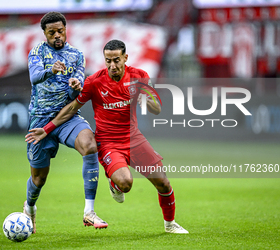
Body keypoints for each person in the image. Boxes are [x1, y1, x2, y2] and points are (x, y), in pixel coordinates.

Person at [25, 39, 188, 234]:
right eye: (108, 61)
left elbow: (156, 108)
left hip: (134, 139)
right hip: (109, 143)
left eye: (116, 60)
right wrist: (47, 128)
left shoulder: (139, 76)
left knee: (163, 182)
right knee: (126, 184)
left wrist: (143, 94)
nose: (112, 65)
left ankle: (170, 225)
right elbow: (71, 109)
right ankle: (114, 181)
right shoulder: (94, 81)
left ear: (125, 58)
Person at [23, 11, 108, 233]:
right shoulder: (37, 53)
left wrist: (75, 87)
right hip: (40, 120)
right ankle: (29, 207)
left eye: (60, 31)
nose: (57, 36)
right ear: (44, 33)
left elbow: (77, 89)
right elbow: (34, 77)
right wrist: (50, 70)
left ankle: (89, 212)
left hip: (67, 116)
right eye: (52, 33)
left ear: (66, 29)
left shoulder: (76, 55)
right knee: (39, 179)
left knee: (90, 144)